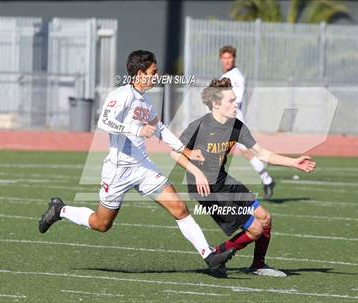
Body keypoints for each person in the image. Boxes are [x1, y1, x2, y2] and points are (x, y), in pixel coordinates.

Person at [38, 50, 235, 273]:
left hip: (143, 167)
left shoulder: (145, 101)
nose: (156, 76)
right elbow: (104, 121)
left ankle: (209, 255)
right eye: (153, 72)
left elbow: (159, 128)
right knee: (102, 224)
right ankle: (60, 210)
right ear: (140, 73)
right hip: (118, 170)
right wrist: (136, 129)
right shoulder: (122, 94)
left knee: (179, 207)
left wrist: (185, 150)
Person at [171, 78, 316, 277]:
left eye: (235, 100)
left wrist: (293, 162)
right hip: (205, 190)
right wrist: (197, 173)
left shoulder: (236, 126)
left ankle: (258, 265)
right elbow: (175, 153)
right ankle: (217, 254)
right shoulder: (200, 126)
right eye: (230, 101)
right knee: (255, 229)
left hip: (223, 181)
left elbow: (263, 154)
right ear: (216, 104)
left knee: (265, 218)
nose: (235, 104)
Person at [219, 45, 275, 200]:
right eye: (224, 58)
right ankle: (267, 180)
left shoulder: (236, 76)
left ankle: (219, 189)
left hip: (233, 119)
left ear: (234, 59)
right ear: (220, 59)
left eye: (230, 57)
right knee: (246, 152)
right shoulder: (225, 75)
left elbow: (236, 100)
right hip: (227, 119)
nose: (227, 60)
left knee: (219, 152)